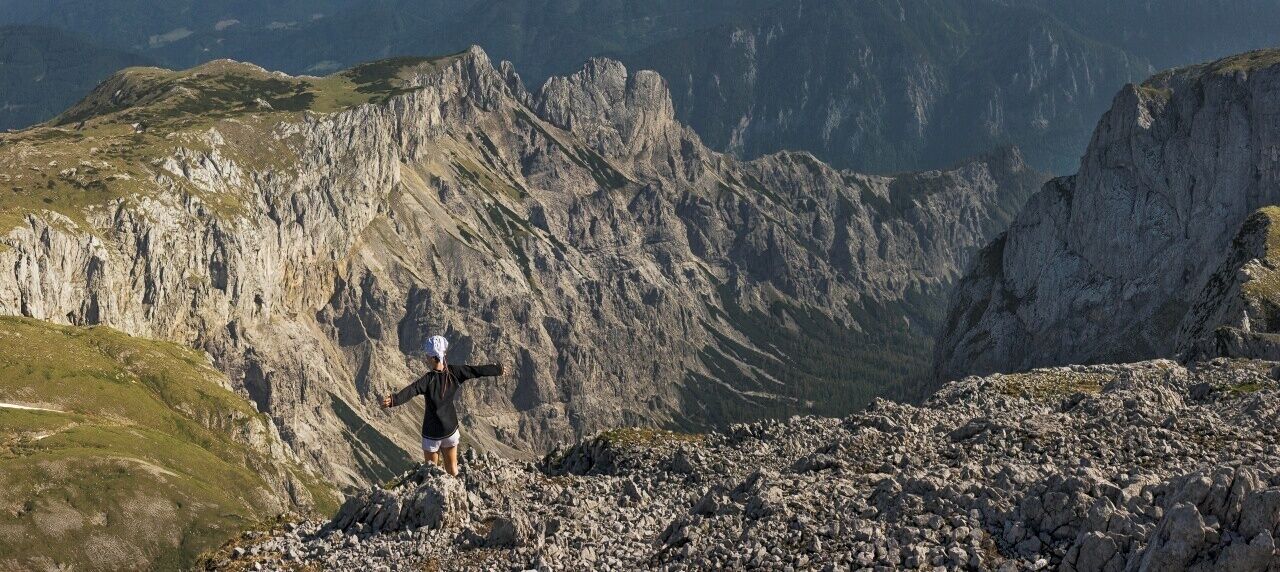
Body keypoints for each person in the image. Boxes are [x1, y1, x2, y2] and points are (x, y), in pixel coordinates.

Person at [381, 335, 503, 476]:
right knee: (452, 469)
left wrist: (394, 400)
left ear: (433, 357)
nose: (426, 358)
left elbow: (412, 390)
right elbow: (475, 371)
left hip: (432, 433)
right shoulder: (455, 372)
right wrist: (497, 370)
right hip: (450, 430)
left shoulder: (428, 379)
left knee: (432, 473)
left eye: (427, 355)